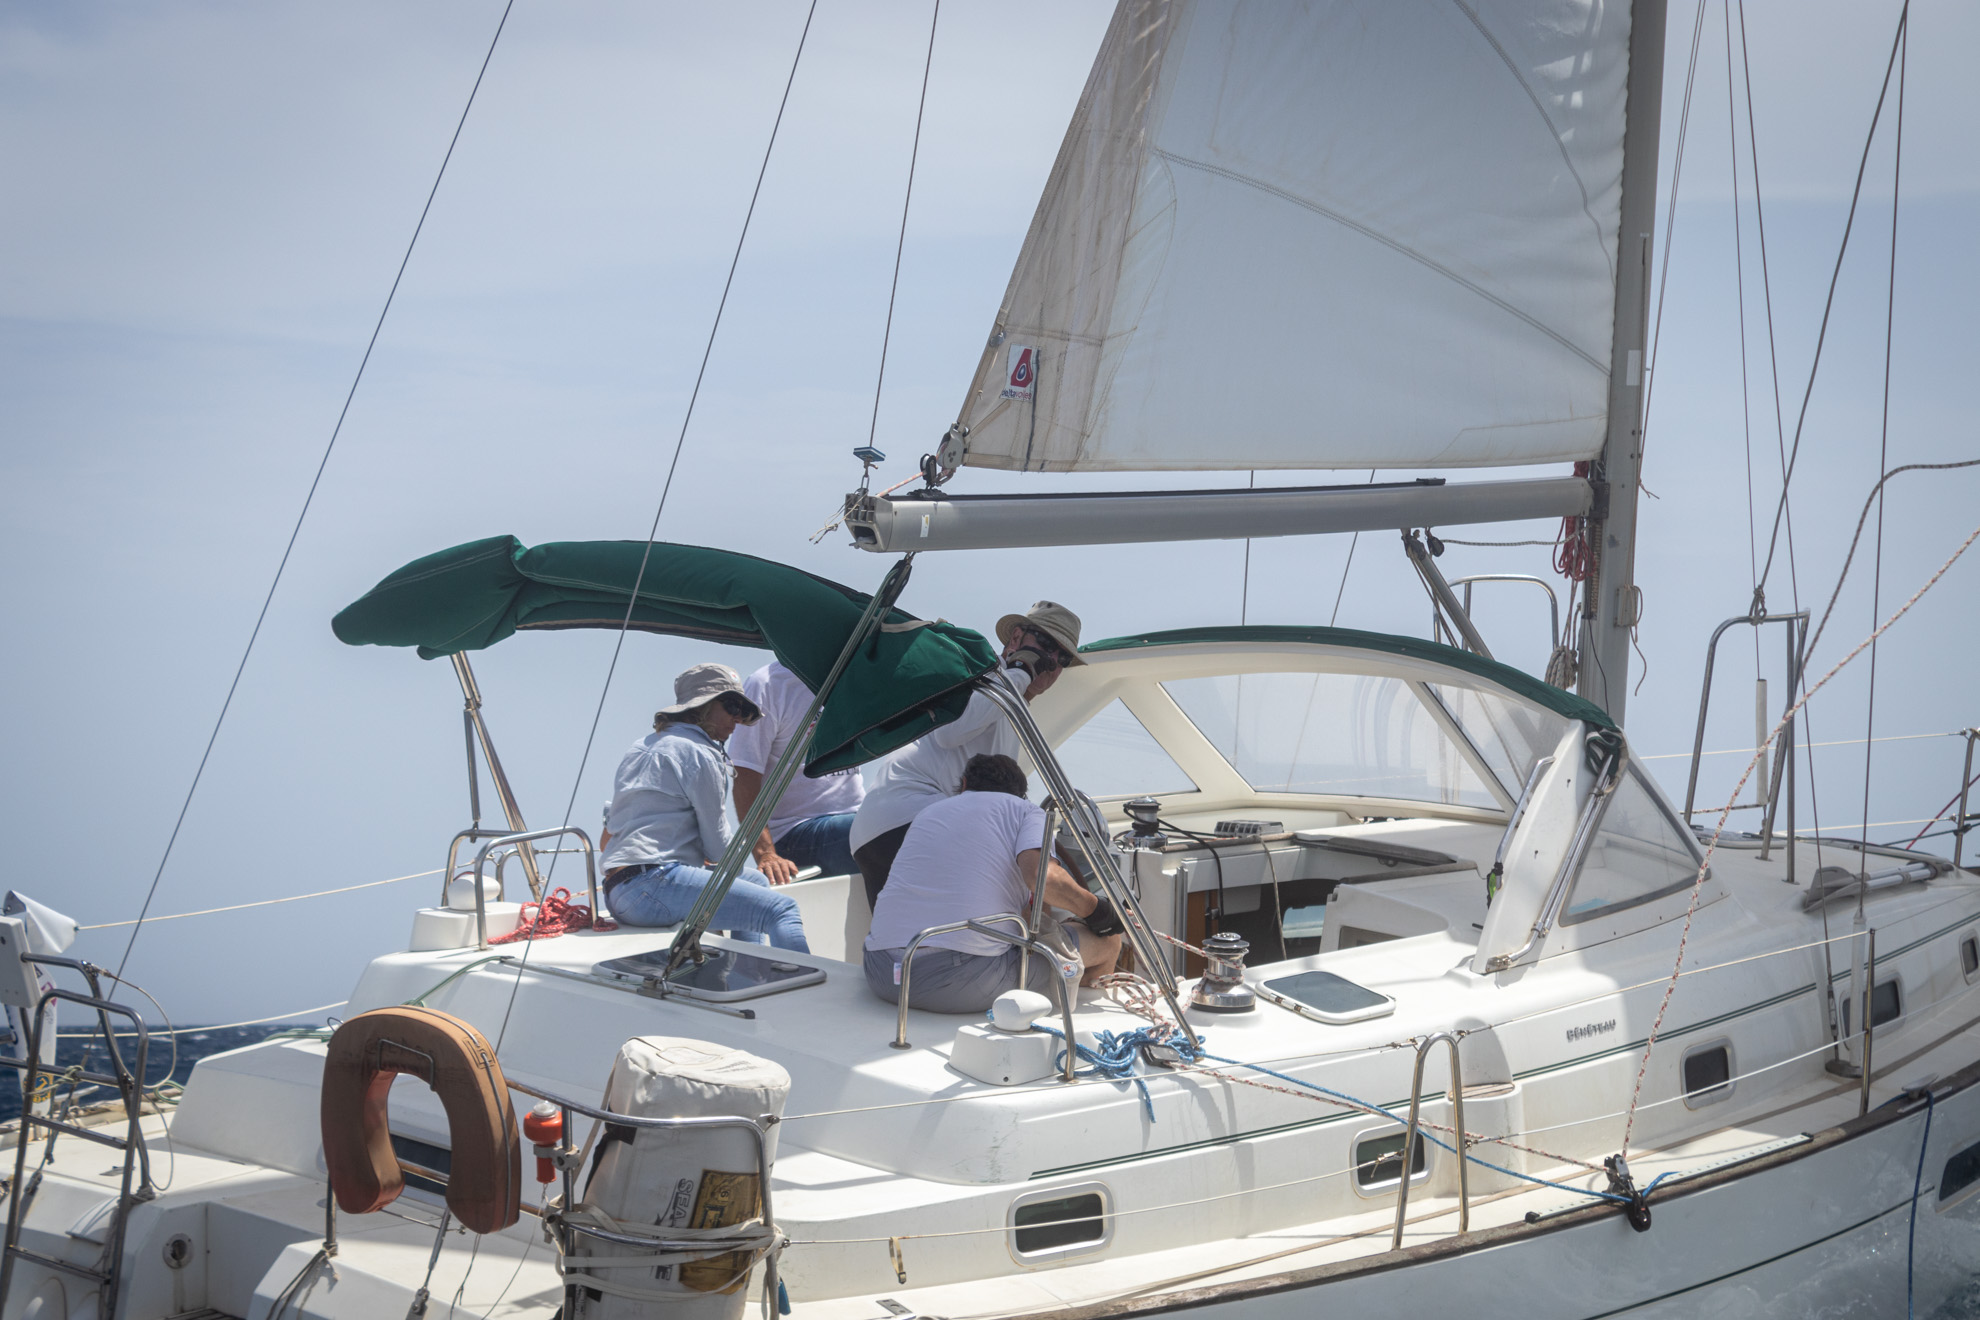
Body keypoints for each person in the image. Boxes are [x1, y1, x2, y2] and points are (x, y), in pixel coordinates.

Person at [849, 600, 1083, 910]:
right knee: (1012, 891)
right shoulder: (981, 672)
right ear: (1015, 638)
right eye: (1044, 644)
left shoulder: (1010, 704)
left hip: (885, 831)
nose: (1050, 661)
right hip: (911, 821)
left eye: (1062, 658)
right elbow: (950, 732)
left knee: (911, 937)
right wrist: (1020, 671)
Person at [862, 754, 1122, 1013]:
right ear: (1020, 793)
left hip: (883, 972)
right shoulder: (1026, 811)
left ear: (965, 784)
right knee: (1109, 943)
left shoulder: (929, 814)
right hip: (957, 982)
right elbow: (1042, 877)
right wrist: (1099, 912)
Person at [599, 662, 809, 952]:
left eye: (741, 710)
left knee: (756, 883)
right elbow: (718, 849)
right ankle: (790, 981)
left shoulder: (641, 746)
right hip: (654, 884)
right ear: (703, 707)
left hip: (619, 891)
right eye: (732, 707)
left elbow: (609, 834)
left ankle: (748, 970)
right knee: (781, 910)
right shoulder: (700, 753)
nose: (737, 719)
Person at [727, 661, 865, 884]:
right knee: (891, 829)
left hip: (855, 821)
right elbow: (744, 774)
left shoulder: (852, 673)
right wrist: (765, 854)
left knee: (915, 818)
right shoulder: (767, 684)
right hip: (796, 833)